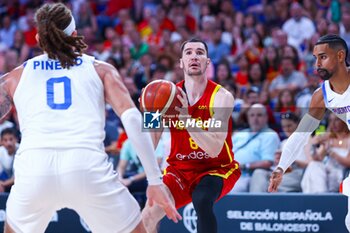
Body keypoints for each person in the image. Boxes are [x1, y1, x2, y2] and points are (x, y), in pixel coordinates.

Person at [0, 3, 180, 233]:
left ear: (38, 38)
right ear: (74, 35)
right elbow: (133, 119)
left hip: (34, 170)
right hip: (86, 167)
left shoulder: (15, 76)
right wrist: (155, 181)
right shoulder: (100, 69)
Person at [142, 38, 241, 233]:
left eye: (199, 52)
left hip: (216, 169)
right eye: (188, 53)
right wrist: (148, 114)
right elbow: (150, 144)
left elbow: (214, 149)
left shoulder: (221, 97)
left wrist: (186, 119)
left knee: (202, 200)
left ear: (207, 61)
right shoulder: (165, 95)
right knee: (148, 215)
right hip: (179, 170)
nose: (194, 56)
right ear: (181, 62)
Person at [268, 34, 350, 231]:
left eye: (323, 57)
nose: (317, 64)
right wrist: (281, 167)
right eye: (315, 58)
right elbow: (300, 136)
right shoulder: (321, 97)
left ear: (340, 56)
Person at [0, 127, 18, 193]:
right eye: (5, 140)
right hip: (4, 180)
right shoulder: (0, 151)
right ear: (1, 141)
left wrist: (3, 184)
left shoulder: (21, 151)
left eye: (11, 139)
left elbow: (20, 176)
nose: (8, 143)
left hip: (19, 182)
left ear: (16, 139)